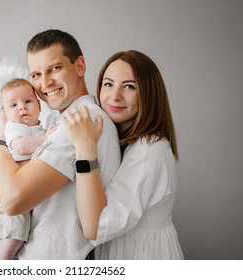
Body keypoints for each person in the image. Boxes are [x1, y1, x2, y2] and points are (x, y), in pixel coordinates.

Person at [0, 29, 121, 259]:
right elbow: (14, 190)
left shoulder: (79, 122)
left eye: (54, 69)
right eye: (36, 74)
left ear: (79, 66)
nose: (45, 82)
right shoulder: (62, 123)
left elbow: (13, 200)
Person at [62, 50, 184, 259]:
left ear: (148, 93)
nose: (115, 96)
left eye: (129, 86)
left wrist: (84, 148)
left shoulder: (150, 149)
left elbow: (96, 227)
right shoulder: (117, 141)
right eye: (108, 84)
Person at [0, 78, 56, 259]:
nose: (22, 107)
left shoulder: (39, 128)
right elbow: (21, 147)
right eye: (13, 105)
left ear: (39, 105)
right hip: (15, 188)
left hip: (28, 188)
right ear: (5, 113)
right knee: (16, 233)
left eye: (28, 101)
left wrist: (47, 134)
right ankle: (1, 260)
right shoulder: (13, 128)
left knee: (26, 231)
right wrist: (47, 139)